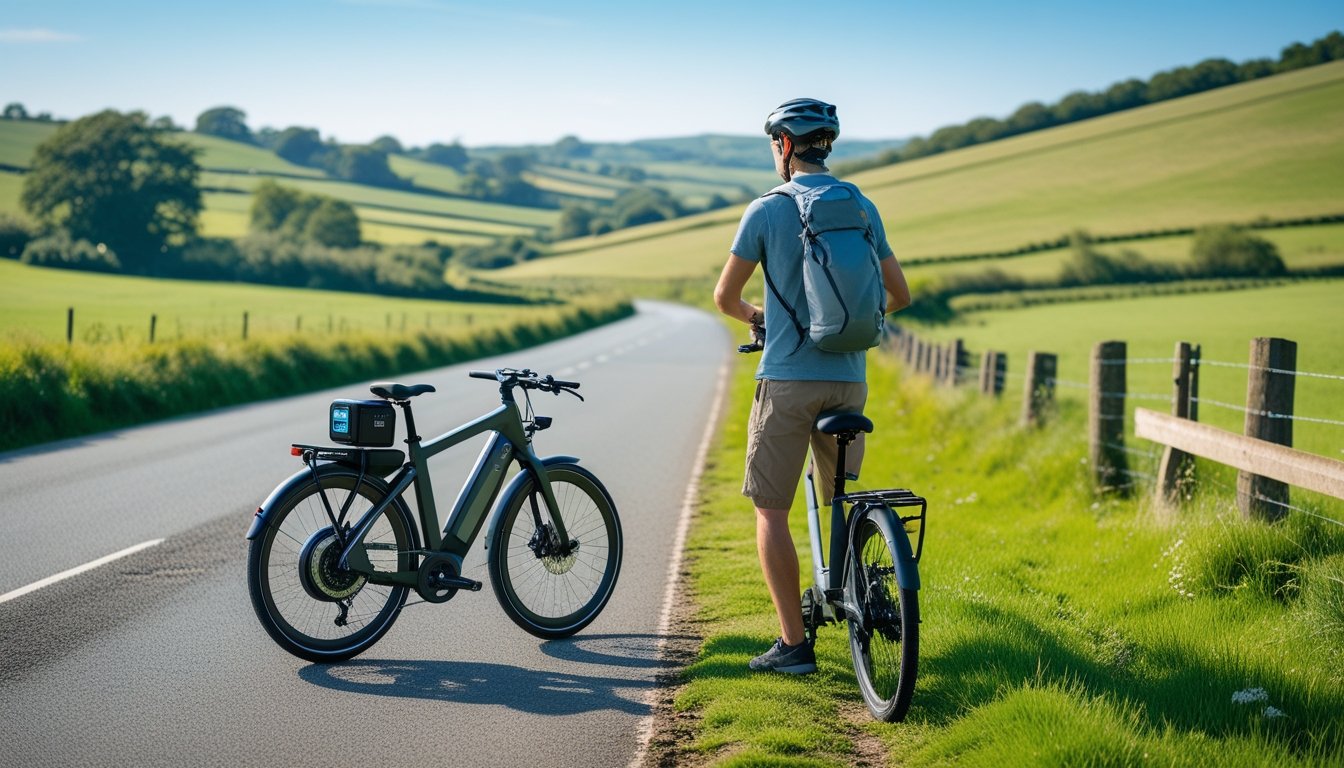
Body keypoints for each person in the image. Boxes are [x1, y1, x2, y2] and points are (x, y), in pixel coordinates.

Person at [713, 98, 911, 674]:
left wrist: (764, 320)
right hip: (849, 382)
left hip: (788, 383)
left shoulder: (766, 210)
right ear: (827, 145)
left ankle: (795, 646)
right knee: (842, 499)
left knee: (770, 511)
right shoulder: (861, 206)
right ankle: (860, 592)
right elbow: (898, 295)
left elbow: (724, 299)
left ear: (783, 146)